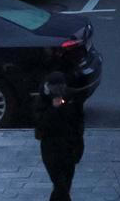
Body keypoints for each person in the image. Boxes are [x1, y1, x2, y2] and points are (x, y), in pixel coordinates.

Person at [34, 72, 85, 201]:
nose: (59, 92)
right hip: (51, 149)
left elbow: (78, 123)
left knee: (65, 184)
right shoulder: (42, 100)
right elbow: (41, 124)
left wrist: (79, 146)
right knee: (60, 184)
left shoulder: (71, 99)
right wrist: (54, 109)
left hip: (69, 147)